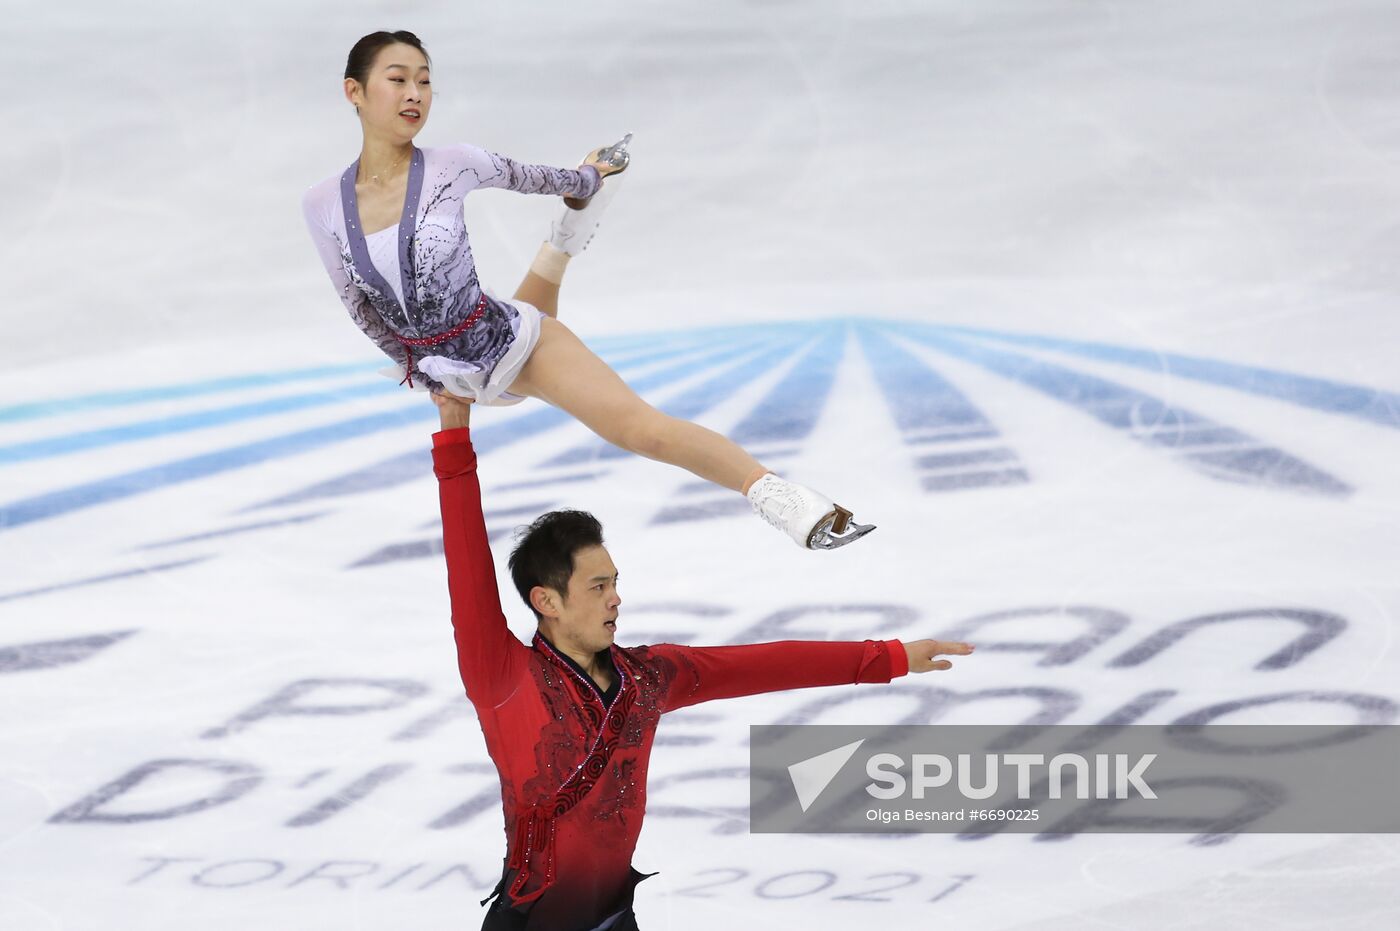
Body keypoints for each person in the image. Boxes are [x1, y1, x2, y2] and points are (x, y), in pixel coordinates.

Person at [300, 30, 874, 550]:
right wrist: (421, 371)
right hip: (454, 375)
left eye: (425, 81)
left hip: (514, 345)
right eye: (398, 79)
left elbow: (544, 178)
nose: (415, 94)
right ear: (354, 91)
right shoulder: (323, 204)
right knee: (524, 304)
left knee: (637, 429)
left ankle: (784, 500)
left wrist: (589, 180)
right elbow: (359, 307)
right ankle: (566, 237)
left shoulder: (455, 164)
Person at [427, 389, 975, 930]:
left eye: (615, 582)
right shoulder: (504, 676)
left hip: (615, 920)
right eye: (597, 587)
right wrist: (454, 430)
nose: (616, 597)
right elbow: (466, 562)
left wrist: (889, 657)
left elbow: (759, 666)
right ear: (546, 600)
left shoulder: (647, 676)